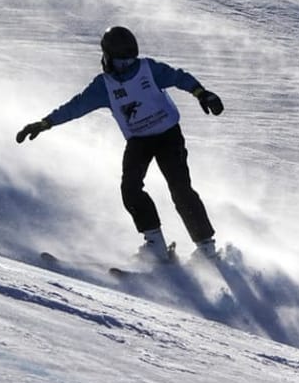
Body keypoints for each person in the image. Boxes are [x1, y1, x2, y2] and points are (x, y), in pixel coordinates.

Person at [17, 26, 224, 262]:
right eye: (120, 62)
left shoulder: (148, 69)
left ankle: (206, 248)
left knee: (180, 189)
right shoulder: (104, 86)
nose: (126, 67)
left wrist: (201, 93)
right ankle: (155, 244)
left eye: (129, 61)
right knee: (130, 189)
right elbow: (76, 106)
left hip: (168, 136)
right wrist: (46, 123)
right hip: (138, 142)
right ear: (107, 58)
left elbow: (178, 77)